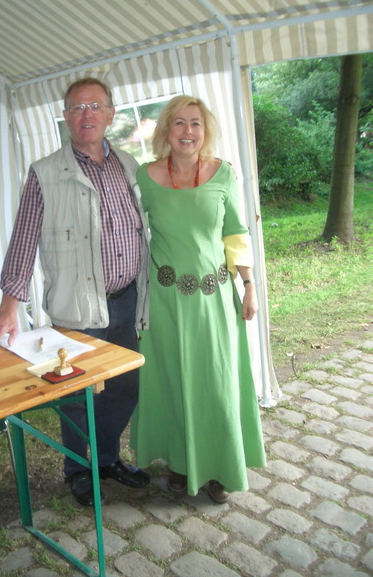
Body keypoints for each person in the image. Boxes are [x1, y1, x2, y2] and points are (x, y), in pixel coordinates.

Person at [0, 77, 151, 506]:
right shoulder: (45, 173)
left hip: (127, 301)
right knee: (75, 395)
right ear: (65, 117)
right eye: (76, 108)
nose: (86, 115)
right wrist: (9, 308)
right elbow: (23, 240)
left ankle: (106, 459)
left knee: (123, 386)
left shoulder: (129, 164)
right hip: (77, 307)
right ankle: (77, 468)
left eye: (94, 106)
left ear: (110, 114)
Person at [130, 95, 266, 503]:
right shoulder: (144, 177)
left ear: (205, 131)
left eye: (195, 123)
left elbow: (236, 232)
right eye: (179, 123)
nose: (187, 131)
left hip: (214, 300)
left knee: (217, 382)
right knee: (173, 380)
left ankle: (221, 465)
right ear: (166, 130)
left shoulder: (224, 173)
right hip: (166, 303)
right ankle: (180, 462)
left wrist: (249, 285)